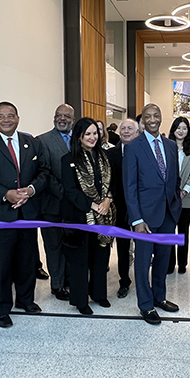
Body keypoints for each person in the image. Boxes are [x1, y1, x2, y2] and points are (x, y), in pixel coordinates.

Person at [0, 102, 49, 328]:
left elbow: (44, 171)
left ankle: (25, 300)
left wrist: (31, 190)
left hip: (27, 212)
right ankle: (0, 308)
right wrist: (6, 194)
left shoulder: (32, 143)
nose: (6, 120)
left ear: (18, 118)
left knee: (26, 260)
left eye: (11, 115)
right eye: (1, 116)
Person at [123, 103, 182, 325]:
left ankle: (159, 297)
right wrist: (136, 219)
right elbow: (129, 186)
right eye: (148, 116)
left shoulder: (170, 145)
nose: (153, 119)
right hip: (144, 217)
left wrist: (174, 204)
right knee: (143, 260)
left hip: (168, 213)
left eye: (156, 115)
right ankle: (146, 305)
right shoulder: (133, 147)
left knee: (163, 259)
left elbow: (173, 178)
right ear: (142, 120)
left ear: (161, 117)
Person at [60, 118, 116, 315]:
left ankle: (99, 294)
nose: (93, 137)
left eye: (95, 133)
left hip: (104, 216)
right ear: (79, 136)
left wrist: (107, 200)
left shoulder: (105, 156)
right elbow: (70, 190)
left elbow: (112, 184)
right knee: (80, 260)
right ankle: (80, 300)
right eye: (88, 134)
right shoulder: (68, 160)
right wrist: (93, 205)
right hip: (79, 217)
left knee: (101, 256)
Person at [37, 104, 74, 301]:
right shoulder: (42, 141)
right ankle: (57, 285)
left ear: (72, 119)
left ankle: (68, 279)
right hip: (52, 204)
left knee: (70, 244)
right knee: (54, 246)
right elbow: (44, 172)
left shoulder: (78, 139)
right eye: (58, 115)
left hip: (74, 206)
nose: (62, 119)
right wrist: (66, 193)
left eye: (66, 116)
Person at [106, 118, 139, 298]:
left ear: (136, 132)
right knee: (122, 247)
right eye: (123, 128)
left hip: (140, 208)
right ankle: (124, 281)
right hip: (120, 208)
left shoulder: (144, 152)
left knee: (142, 245)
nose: (126, 131)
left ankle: (142, 280)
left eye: (130, 128)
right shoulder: (112, 154)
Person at [167, 117, 190, 275]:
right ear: (173, 129)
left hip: (185, 198)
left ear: (188, 131)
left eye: (184, 128)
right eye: (178, 127)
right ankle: (170, 263)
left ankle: (182, 263)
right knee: (169, 231)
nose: (181, 130)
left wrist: (184, 190)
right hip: (168, 198)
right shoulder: (166, 149)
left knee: (183, 231)